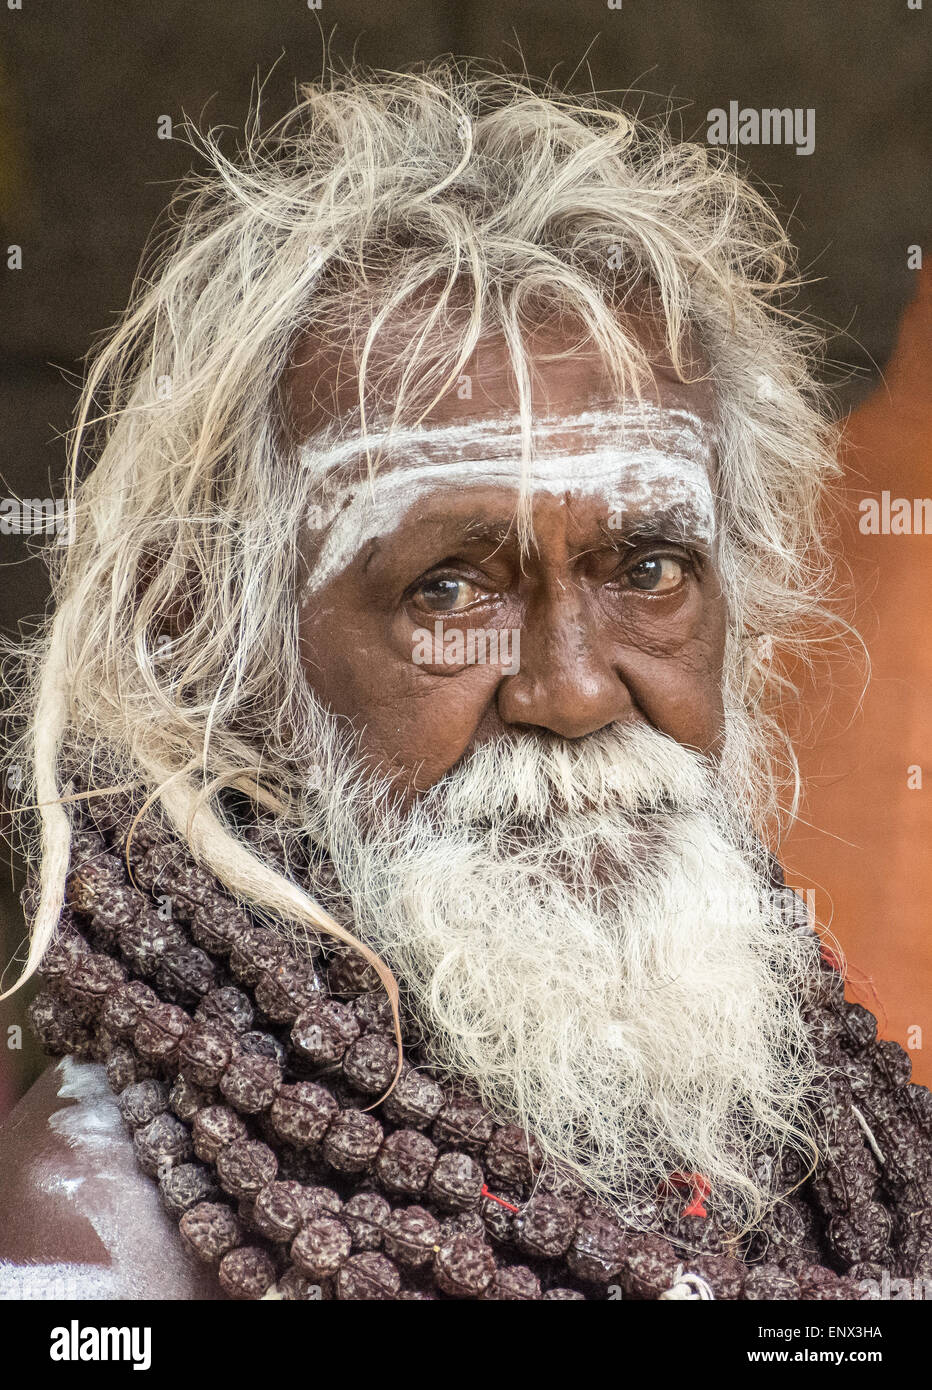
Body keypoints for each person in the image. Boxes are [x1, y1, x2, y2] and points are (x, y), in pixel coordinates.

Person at [1, 62, 928, 1301]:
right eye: (448, 588)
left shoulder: (822, 1159)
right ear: (216, 649)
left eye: (646, 568)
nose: (575, 690)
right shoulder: (94, 1252)